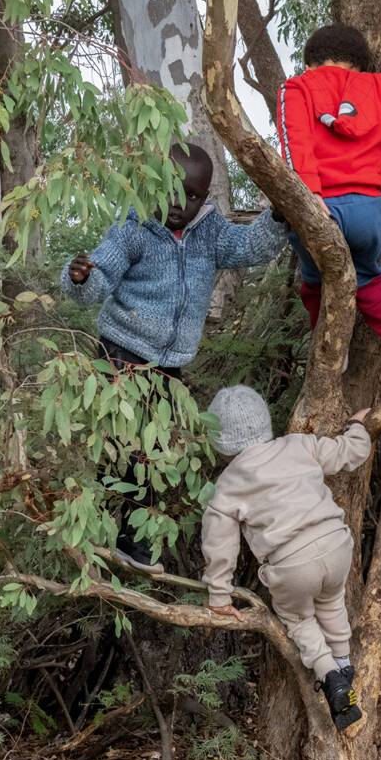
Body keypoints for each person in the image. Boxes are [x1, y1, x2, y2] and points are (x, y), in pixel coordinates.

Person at [59, 142, 288, 572]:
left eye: (195, 195)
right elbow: (98, 278)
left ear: (206, 197)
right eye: (173, 190)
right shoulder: (133, 229)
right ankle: (116, 537)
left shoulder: (211, 232)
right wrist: (80, 278)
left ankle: (136, 537)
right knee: (123, 447)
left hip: (169, 365)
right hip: (121, 353)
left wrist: (278, 217)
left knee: (157, 449)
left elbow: (247, 248)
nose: (182, 203)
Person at [276, 23, 381, 397]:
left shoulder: (296, 88)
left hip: (320, 207)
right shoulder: (378, 88)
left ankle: (331, 350)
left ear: (309, 63)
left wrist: (308, 195)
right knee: (368, 276)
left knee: (313, 283)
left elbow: (296, 143)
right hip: (368, 211)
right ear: (360, 63)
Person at [199, 385, 372, 734]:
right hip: (335, 544)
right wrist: (357, 426)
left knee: (299, 619)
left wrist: (219, 596)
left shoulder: (227, 485)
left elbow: (220, 546)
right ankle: (343, 661)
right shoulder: (299, 444)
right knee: (333, 601)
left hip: (291, 563)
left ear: (219, 440)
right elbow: (350, 453)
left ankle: (331, 677)